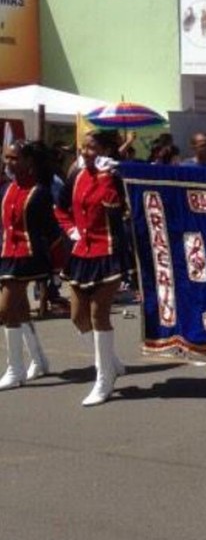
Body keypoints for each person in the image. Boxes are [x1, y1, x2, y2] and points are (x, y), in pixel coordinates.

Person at [54, 131, 131, 406]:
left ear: (105, 150)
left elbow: (115, 207)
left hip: (108, 251)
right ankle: (109, 361)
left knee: (99, 315)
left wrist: (108, 177)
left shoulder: (115, 176)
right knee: (78, 317)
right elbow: (60, 207)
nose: (85, 152)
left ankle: (104, 378)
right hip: (80, 252)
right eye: (83, 147)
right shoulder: (75, 175)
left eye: (91, 147)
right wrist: (71, 229)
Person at [0, 142, 63, 391]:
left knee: (5, 310)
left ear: (29, 162)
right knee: (20, 309)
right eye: (6, 157)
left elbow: (52, 230)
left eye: (14, 158)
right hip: (7, 254)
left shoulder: (40, 191)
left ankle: (14, 370)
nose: (9, 162)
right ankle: (38, 360)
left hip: (29, 256)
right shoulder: (6, 189)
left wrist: (58, 266)